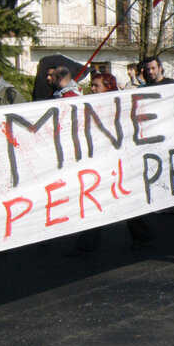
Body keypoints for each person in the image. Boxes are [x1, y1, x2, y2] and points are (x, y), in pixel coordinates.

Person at [67, 71, 154, 255]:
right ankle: (87, 245)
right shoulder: (89, 106)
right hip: (99, 162)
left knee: (127, 200)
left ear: (108, 87)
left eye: (96, 86)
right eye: (91, 85)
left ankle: (143, 236)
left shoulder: (120, 104)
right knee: (95, 202)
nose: (91, 89)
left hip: (118, 162)